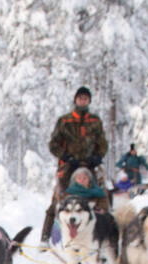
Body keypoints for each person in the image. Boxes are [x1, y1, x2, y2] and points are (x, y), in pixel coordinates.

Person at [41, 86, 109, 244]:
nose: (83, 101)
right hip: (69, 165)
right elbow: (53, 144)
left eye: (85, 98)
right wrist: (66, 157)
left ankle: (104, 235)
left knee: (103, 193)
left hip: (90, 165)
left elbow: (103, 143)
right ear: (75, 100)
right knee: (58, 198)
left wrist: (98, 157)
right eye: (80, 98)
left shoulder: (95, 121)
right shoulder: (65, 121)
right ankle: (45, 237)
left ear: (89, 101)